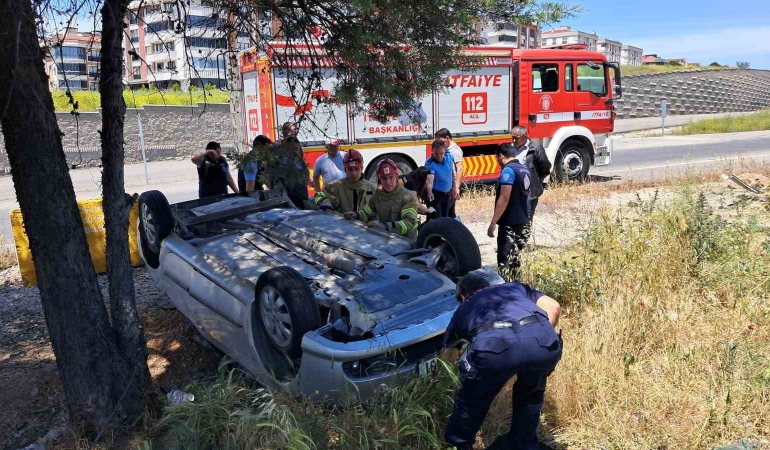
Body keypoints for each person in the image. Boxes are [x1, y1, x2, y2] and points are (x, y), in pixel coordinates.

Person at [442, 274, 563, 450]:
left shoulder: (464, 308)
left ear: (462, 296)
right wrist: (535, 339)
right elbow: (554, 307)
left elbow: (447, 357)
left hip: (493, 349)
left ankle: (458, 444)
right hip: (544, 343)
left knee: (470, 400)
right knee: (531, 392)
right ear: (488, 285)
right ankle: (524, 443)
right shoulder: (514, 287)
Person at [343, 159, 419, 239]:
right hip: (387, 239)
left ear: (396, 176)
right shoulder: (377, 195)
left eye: (391, 177)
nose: (388, 182)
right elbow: (367, 213)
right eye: (384, 178)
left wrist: (386, 226)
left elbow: (410, 223)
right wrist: (357, 215)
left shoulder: (407, 196)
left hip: (407, 243)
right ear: (379, 178)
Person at [488, 143, 532, 279]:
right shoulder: (525, 170)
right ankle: (516, 289)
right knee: (515, 260)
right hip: (524, 222)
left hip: (510, 224)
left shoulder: (508, 171)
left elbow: (504, 198)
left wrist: (493, 222)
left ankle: (506, 291)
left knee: (505, 261)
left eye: (497, 158)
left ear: (501, 156)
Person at [511, 125, 551, 219]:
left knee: (527, 217)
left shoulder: (535, 149)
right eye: (512, 138)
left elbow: (545, 167)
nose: (513, 141)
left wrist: (541, 185)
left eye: (516, 138)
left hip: (529, 191)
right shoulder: (510, 149)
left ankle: (525, 234)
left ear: (525, 136)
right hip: (513, 189)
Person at [268, 136, 311, 209]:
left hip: (302, 199)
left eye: (296, 149)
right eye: (292, 149)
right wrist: (292, 207)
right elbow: (280, 190)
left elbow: (305, 172)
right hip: (290, 205)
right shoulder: (281, 165)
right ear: (286, 149)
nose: (295, 151)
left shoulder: (299, 160)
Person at [424, 139, 459, 218]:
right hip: (437, 196)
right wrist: (429, 192)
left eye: (441, 153)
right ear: (432, 150)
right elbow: (430, 179)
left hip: (449, 194)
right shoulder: (430, 163)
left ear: (444, 150)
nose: (439, 156)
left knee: (451, 217)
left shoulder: (448, 157)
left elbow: (451, 173)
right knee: (440, 219)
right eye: (436, 154)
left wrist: (454, 187)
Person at [435, 128, 464, 193]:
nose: (439, 143)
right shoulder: (445, 148)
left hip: (452, 186)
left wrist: (456, 187)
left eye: (440, 141)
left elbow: (460, 169)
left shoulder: (455, 151)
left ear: (447, 138)